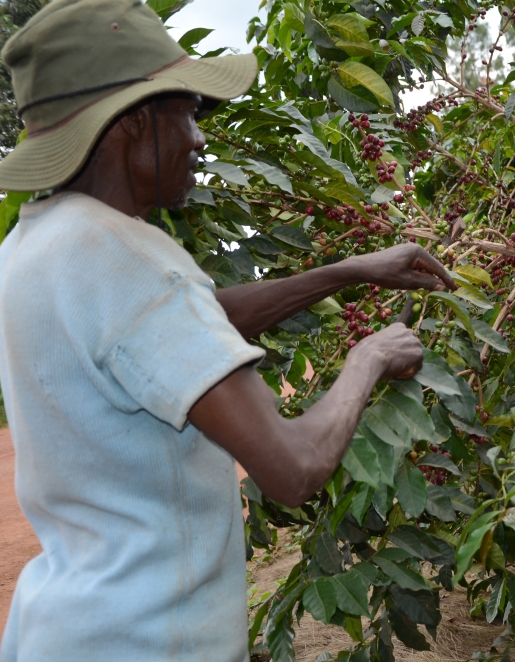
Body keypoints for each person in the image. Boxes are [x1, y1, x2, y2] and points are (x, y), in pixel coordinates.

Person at [0, 1, 455, 660]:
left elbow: (173, 330)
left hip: (63, 630)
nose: (200, 139)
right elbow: (293, 469)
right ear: (135, 123)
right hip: (151, 641)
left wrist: (347, 271)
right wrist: (370, 356)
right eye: (188, 113)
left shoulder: (35, 245)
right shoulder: (132, 261)